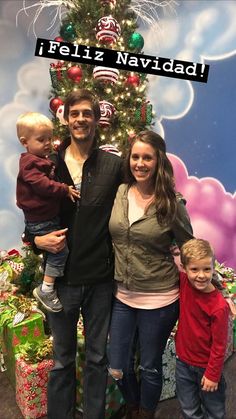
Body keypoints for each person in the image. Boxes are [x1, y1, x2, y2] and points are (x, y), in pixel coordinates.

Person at [25, 89, 123, 419]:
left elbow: (140, 198)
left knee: (97, 358)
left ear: (97, 120)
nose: (80, 119)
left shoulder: (113, 165)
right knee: (63, 360)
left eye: (87, 113)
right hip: (62, 283)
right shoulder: (46, 165)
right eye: (74, 113)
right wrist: (35, 242)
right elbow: (31, 214)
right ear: (65, 119)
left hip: (99, 280)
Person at [108, 130, 194, 419]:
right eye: (135, 156)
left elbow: (189, 246)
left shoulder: (171, 203)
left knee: (150, 366)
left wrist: (209, 282)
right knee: (117, 365)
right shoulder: (120, 193)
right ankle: (132, 403)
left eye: (147, 157)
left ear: (158, 162)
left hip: (160, 299)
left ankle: (144, 413)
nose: (140, 163)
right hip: (123, 295)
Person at [16, 112, 79, 312]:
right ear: (25, 142)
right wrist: (64, 188)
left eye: (49, 138)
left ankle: (47, 278)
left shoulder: (41, 160)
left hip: (44, 218)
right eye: (41, 139)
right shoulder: (31, 163)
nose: (47, 143)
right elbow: (43, 185)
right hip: (42, 220)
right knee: (60, 250)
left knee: (57, 250)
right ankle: (47, 288)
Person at [175, 238, 229, 419]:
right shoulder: (184, 283)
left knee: (214, 411)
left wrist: (213, 374)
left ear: (214, 269)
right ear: (184, 269)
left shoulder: (219, 307)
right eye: (194, 269)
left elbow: (220, 345)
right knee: (188, 408)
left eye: (207, 269)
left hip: (207, 367)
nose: (201, 275)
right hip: (183, 363)